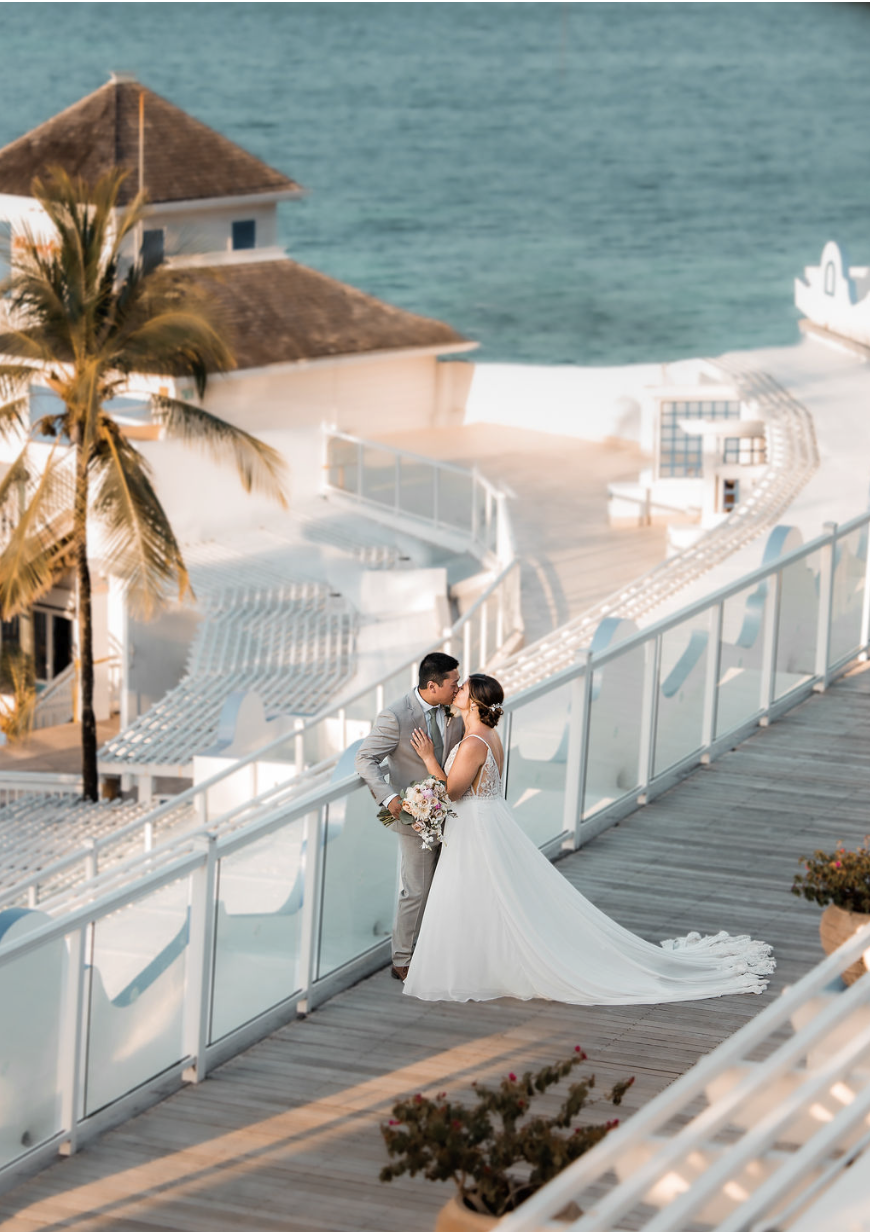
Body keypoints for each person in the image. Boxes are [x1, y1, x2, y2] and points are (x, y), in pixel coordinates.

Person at [403, 673, 775, 1004]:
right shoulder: (489, 736)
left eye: (463, 688)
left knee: (477, 893)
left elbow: (452, 791)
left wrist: (429, 757)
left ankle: (486, 967)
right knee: (490, 895)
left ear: (476, 700)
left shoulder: (472, 743)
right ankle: (487, 964)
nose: (457, 691)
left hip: (476, 826)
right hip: (484, 820)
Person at [355, 652, 465, 982]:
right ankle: (402, 959)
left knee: (448, 886)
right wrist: (390, 799)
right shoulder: (395, 717)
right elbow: (364, 760)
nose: (458, 687)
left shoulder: (456, 709)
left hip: (457, 815)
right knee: (415, 891)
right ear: (433, 686)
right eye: (453, 683)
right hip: (415, 817)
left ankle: (438, 949)